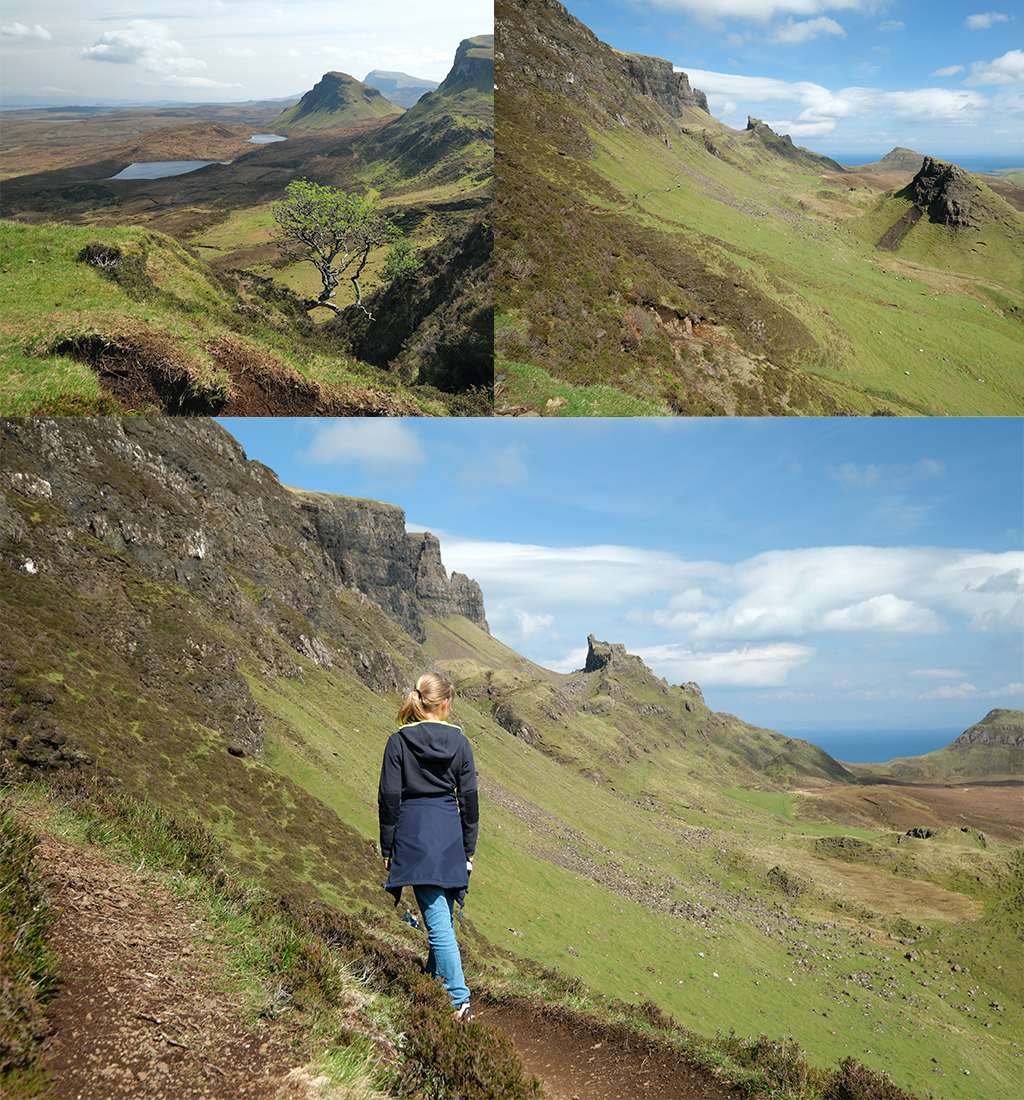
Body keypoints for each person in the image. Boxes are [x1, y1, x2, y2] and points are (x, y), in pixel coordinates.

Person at [378, 672, 478, 1021]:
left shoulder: (398, 742)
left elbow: (389, 799)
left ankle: (458, 1001)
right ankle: (435, 985)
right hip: (449, 836)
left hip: (414, 836)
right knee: (442, 919)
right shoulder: (461, 743)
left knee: (438, 922)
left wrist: (388, 848)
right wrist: (468, 849)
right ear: (446, 703)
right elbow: (469, 800)